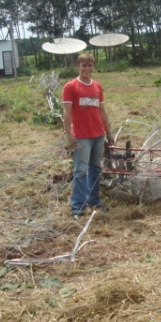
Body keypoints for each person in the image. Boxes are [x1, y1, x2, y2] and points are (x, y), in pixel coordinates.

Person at [62, 53, 114, 218]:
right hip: (82, 136)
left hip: (98, 134)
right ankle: (78, 207)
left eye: (90, 65)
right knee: (80, 171)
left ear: (93, 67)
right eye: (83, 65)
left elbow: (102, 111)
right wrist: (69, 136)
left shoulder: (97, 86)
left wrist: (108, 132)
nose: (87, 68)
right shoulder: (71, 87)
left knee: (96, 168)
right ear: (78, 66)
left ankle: (94, 199)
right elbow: (67, 112)